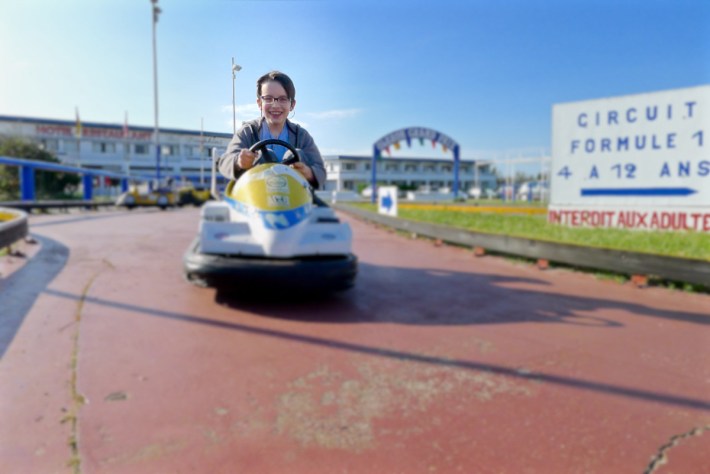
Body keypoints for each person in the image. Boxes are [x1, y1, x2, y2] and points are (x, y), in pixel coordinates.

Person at [218, 71, 326, 189]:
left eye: (283, 99)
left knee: (297, 154)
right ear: (259, 103)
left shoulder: (301, 136)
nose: (275, 105)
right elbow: (224, 163)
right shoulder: (247, 131)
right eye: (268, 98)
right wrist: (239, 162)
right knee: (263, 156)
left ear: (292, 104)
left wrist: (309, 173)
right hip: (256, 196)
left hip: (293, 197)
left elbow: (321, 171)